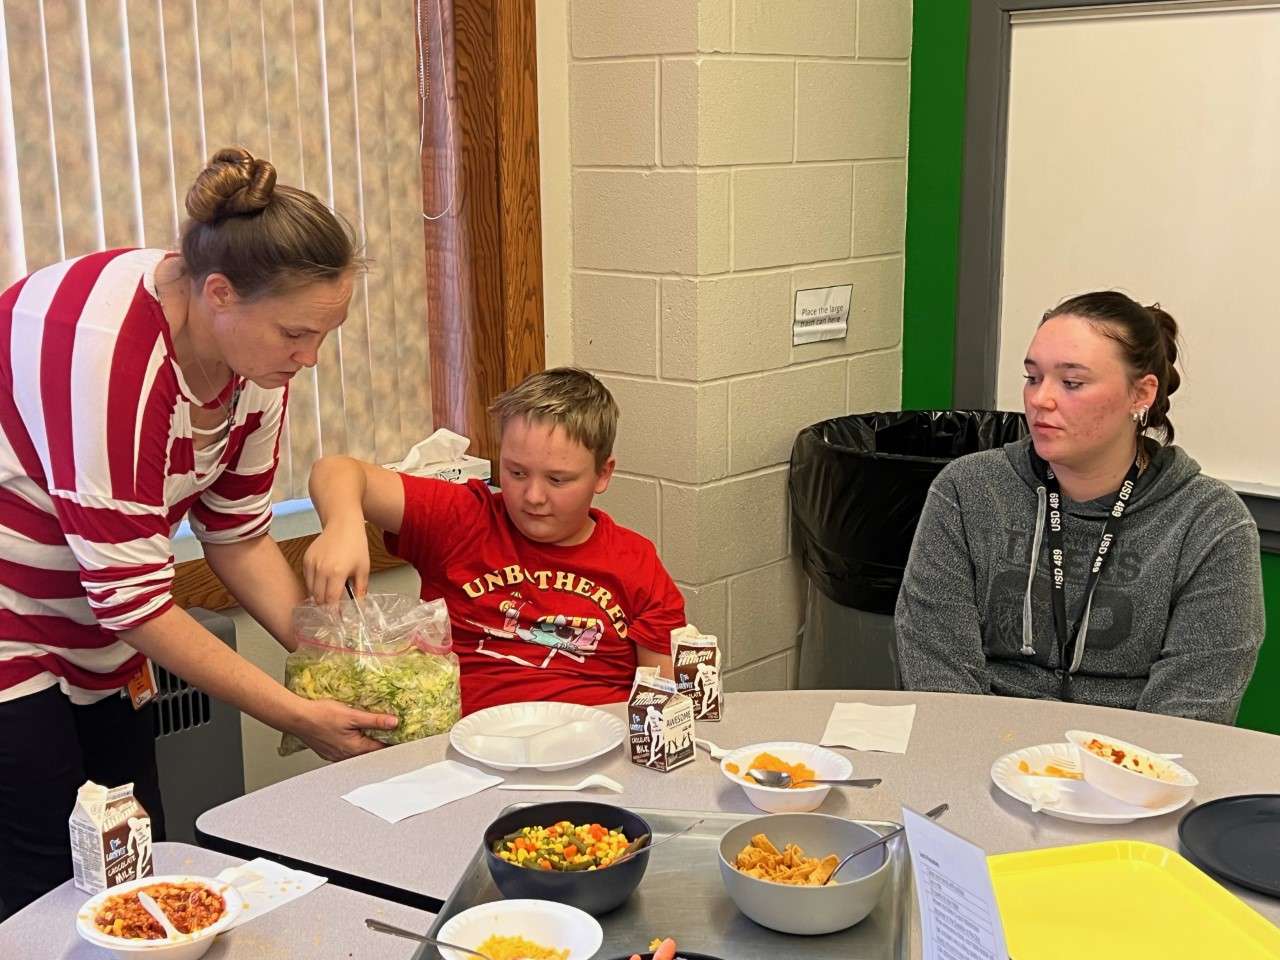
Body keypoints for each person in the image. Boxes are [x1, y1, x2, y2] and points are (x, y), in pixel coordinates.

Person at [0, 147, 396, 918]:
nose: (310, 358)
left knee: (129, 850)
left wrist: (333, 664)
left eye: (326, 333)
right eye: (296, 333)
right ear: (219, 293)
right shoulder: (106, 351)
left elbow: (239, 537)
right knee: (44, 880)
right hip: (12, 616)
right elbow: (135, 603)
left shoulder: (253, 366)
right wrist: (295, 715)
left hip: (98, 617)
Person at [895, 291, 1263, 723]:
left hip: (1132, 769)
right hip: (981, 753)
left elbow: (1192, 712)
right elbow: (938, 674)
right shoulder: (967, 491)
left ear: (1141, 394)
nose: (1040, 400)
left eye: (1072, 383)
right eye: (1033, 378)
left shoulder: (1210, 522)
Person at [304, 367, 686, 714]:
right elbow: (336, 470)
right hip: (467, 753)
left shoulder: (636, 561)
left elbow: (662, 698)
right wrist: (343, 524)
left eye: (557, 480)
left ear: (603, 474)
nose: (533, 496)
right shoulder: (463, 519)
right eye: (516, 472)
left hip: (597, 749)